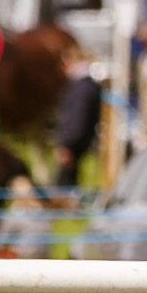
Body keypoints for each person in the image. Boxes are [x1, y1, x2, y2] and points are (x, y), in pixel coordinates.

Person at [51, 43, 103, 189]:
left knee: (65, 187)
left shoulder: (82, 87)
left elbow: (77, 118)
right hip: (74, 142)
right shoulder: (83, 85)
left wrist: (68, 146)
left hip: (73, 144)